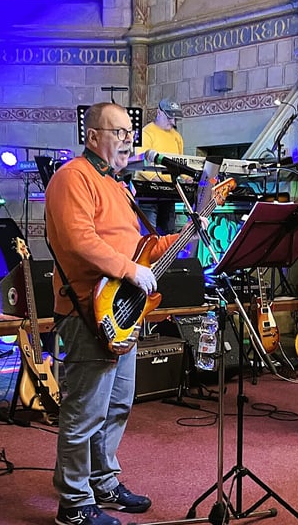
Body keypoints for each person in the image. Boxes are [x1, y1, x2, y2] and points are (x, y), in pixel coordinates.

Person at [46, 102, 186, 525]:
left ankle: (102, 481)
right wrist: (129, 270)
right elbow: (79, 240)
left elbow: (140, 249)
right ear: (92, 136)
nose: (128, 140)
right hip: (87, 312)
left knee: (117, 405)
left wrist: (185, 235)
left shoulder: (118, 186)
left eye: (130, 133)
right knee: (85, 412)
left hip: (121, 312)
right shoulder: (72, 177)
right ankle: (73, 503)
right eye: (119, 132)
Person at [134, 98, 185, 235]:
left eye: (175, 119)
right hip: (148, 193)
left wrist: (188, 178)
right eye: (169, 118)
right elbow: (140, 162)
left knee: (167, 235)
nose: (173, 122)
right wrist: (157, 180)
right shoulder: (146, 133)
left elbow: (180, 163)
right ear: (159, 113)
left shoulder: (177, 137)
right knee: (148, 235)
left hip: (169, 194)